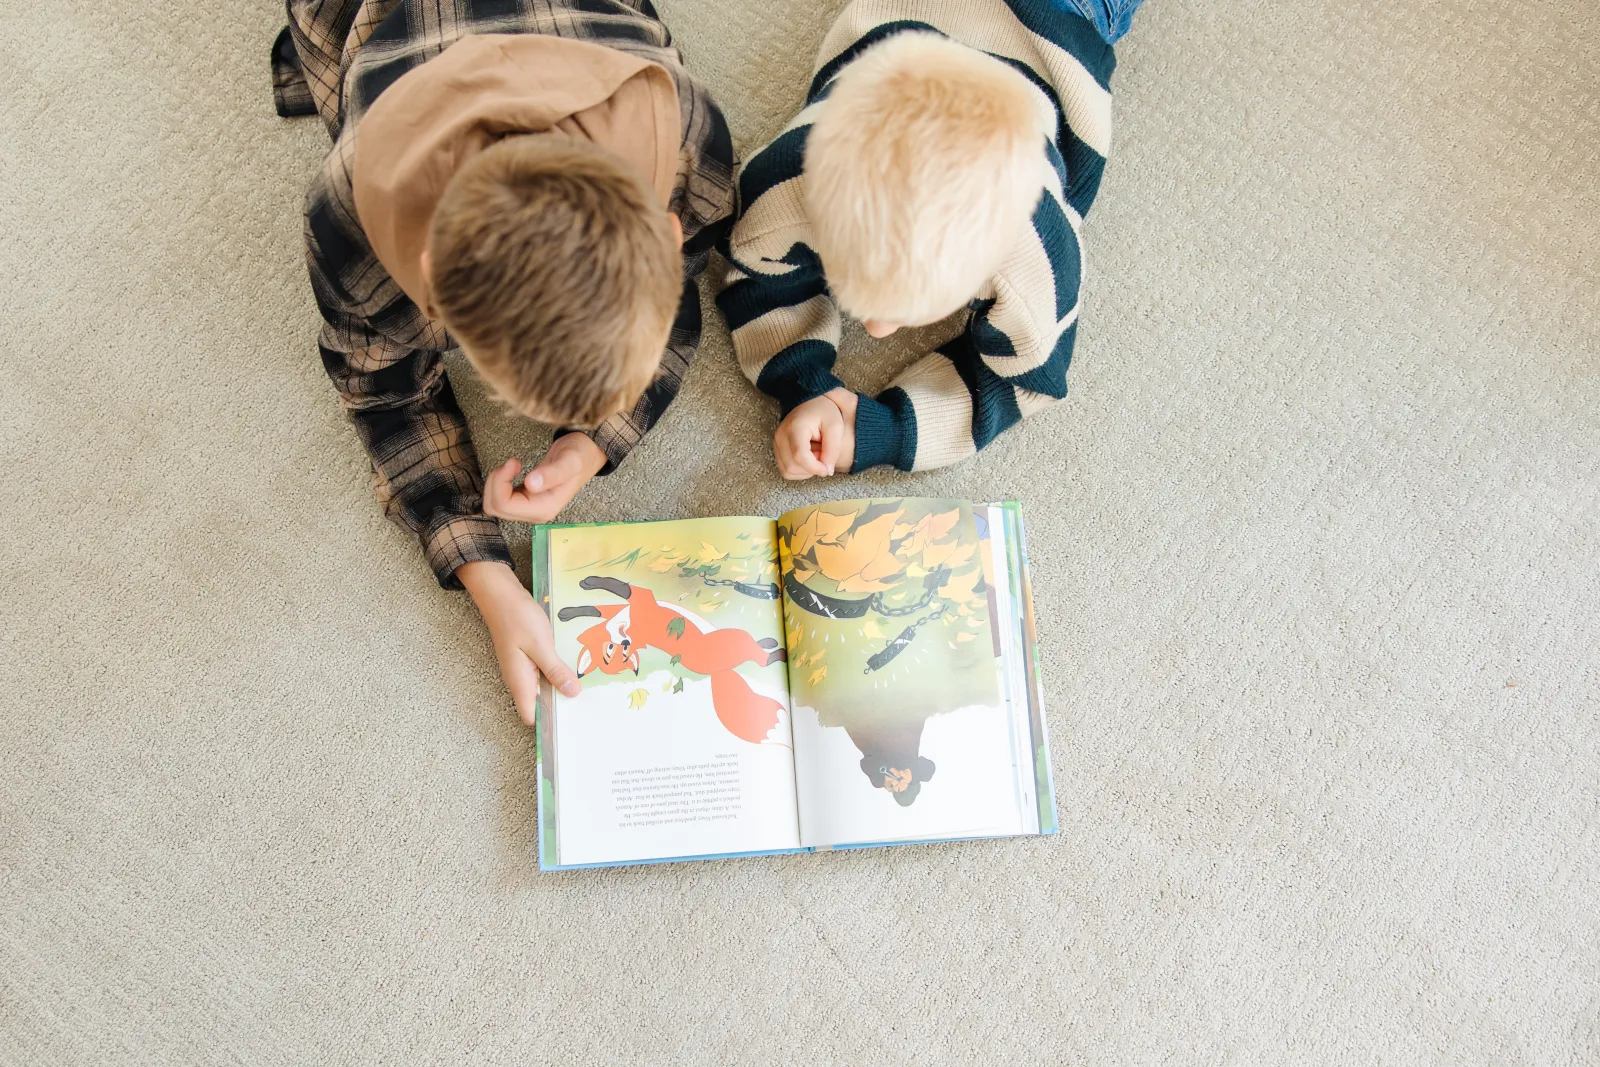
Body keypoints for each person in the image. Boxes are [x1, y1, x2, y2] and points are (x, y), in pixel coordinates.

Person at [272, 0, 735, 723]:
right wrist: (487, 577)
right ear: (431, 289)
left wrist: (587, 450)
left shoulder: (682, 123)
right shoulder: (348, 220)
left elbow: (679, 281)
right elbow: (380, 392)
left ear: (666, 227)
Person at [717, 0, 1141, 478]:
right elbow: (755, 267)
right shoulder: (793, 174)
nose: (874, 328)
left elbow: (1030, 379)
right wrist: (804, 384)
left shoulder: (1031, 249)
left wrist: (887, 432)